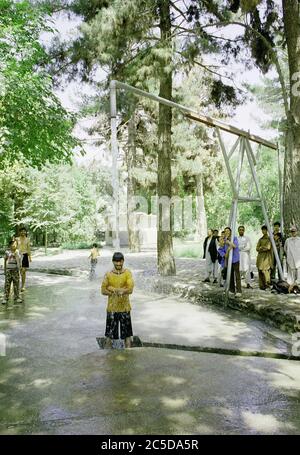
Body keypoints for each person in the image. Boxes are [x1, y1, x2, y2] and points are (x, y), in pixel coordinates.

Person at [101, 252, 134, 349]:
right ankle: (109, 357)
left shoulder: (127, 273)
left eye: (120, 262)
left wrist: (115, 289)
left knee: (127, 336)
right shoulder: (108, 274)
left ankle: (129, 356)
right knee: (109, 336)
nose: (118, 264)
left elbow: (130, 289)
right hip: (112, 309)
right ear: (113, 262)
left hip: (125, 308)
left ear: (123, 261)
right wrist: (114, 291)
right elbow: (103, 290)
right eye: (116, 262)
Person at [2, 240, 22, 304]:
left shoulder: (17, 252)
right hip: (8, 270)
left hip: (15, 270)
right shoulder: (7, 252)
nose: (14, 245)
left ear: (17, 245)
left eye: (15, 244)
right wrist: (5, 270)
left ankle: (17, 297)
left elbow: (19, 261)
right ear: (10, 245)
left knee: (16, 284)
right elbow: (5, 261)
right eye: (12, 244)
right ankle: (5, 298)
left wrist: (20, 270)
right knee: (7, 285)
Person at [223, 227, 242, 297]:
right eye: (225, 231)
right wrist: (228, 246)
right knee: (230, 275)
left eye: (228, 231)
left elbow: (234, 246)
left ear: (230, 232)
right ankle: (232, 290)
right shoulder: (225, 240)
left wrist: (229, 242)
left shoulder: (234, 238)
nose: (227, 232)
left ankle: (239, 291)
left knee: (237, 275)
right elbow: (226, 251)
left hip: (235, 259)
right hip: (229, 260)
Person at [256, 225, 273, 290]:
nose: (263, 231)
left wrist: (261, 247)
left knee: (266, 271)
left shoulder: (269, 239)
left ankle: (267, 285)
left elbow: (268, 248)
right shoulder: (260, 239)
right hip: (260, 257)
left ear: (267, 231)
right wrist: (262, 248)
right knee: (260, 270)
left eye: (265, 230)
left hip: (266, 257)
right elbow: (257, 248)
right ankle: (261, 286)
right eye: (262, 230)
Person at [16, 227, 32, 292]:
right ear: (20, 232)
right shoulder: (17, 239)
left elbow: (28, 248)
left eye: (24, 231)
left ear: (26, 232)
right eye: (22, 231)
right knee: (19, 271)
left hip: (25, 255)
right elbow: (14, 247)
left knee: (23, 271)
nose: (23, 232)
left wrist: (30, 257)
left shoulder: (27, 239)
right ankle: (16, 285)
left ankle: (23, 285)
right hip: (18, 255)